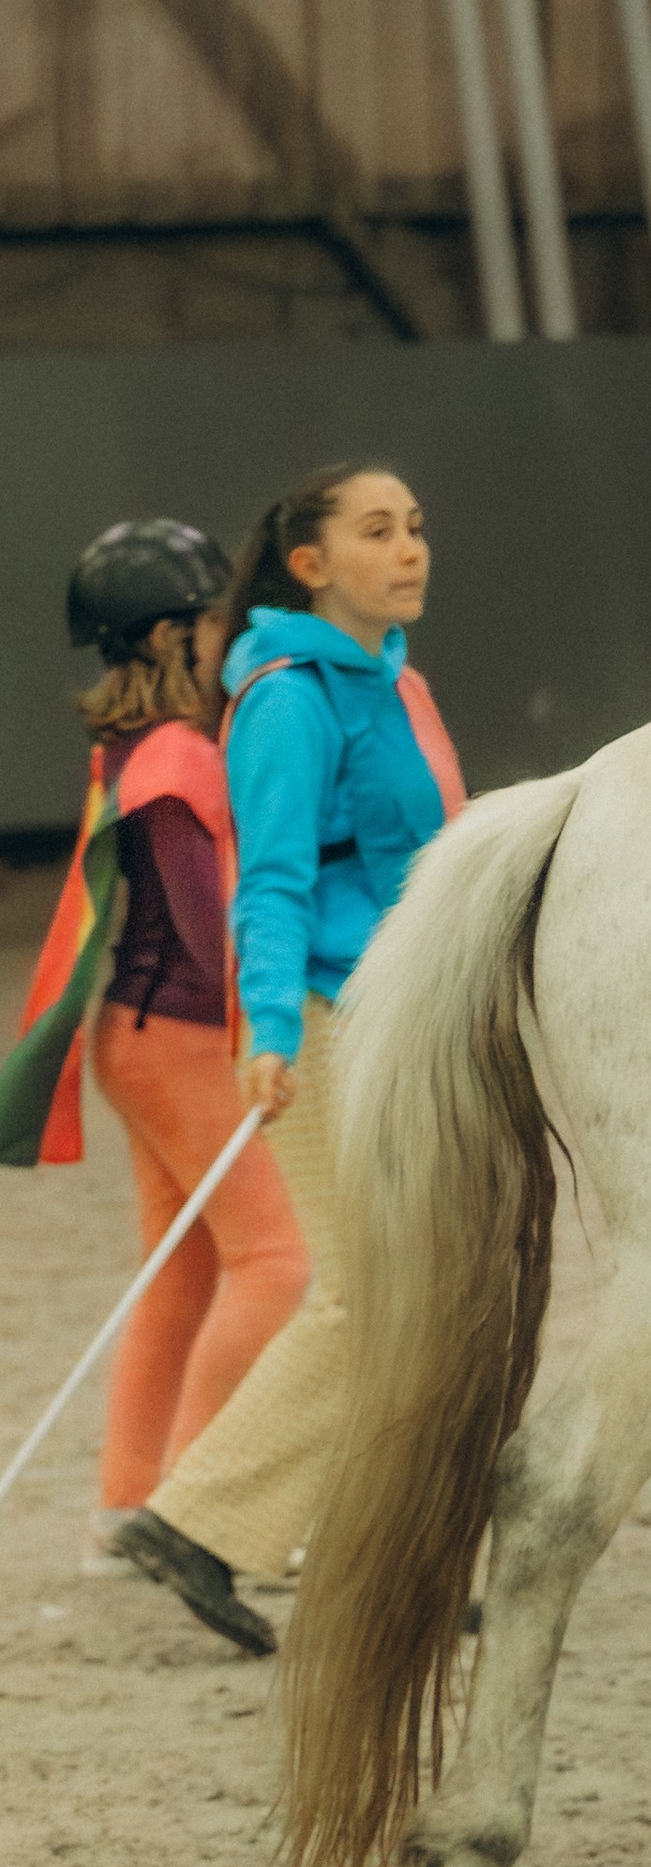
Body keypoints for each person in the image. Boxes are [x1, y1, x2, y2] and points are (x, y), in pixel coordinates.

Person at [115, 462, 464, 1656]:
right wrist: (267, 1033)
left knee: (425, 1297)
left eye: (415, 527)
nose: (409, 547)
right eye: (378, 531)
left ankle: (395, 1557)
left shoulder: (390, 678)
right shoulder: (286, 696)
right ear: (310, 565)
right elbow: (268, 882)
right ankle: (195, 1522)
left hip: (403, 1013)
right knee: (368, 1297)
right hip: (322, 1025)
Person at [0, 522, 307, 1607]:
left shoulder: (140, 748)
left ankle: (125, 1511)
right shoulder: (178, 760)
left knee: (181, 1276)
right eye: (216, 617)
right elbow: (207, 922)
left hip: (141, 1037)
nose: (234, 632)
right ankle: (196, 1507)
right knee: (279, 1263)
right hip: (180, 1040)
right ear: (175, 635)